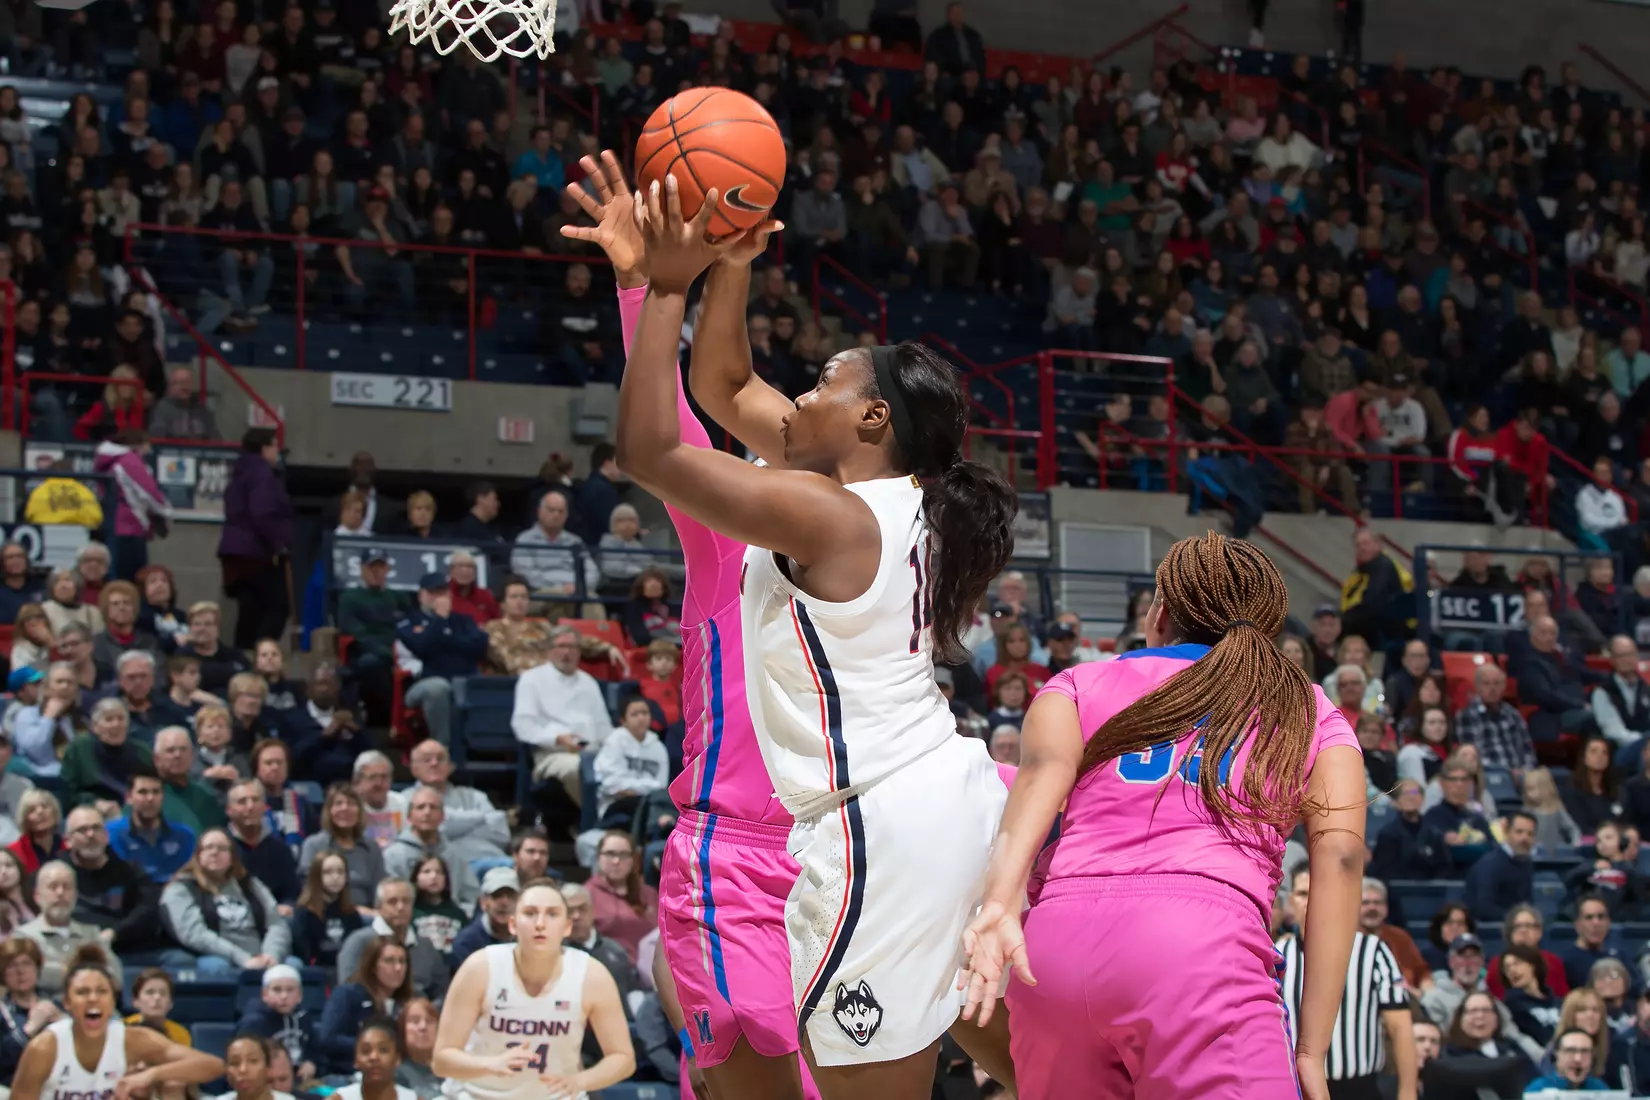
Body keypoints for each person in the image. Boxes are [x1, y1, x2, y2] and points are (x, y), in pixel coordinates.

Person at [599, 158, 1018, 1092]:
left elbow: (651, 448)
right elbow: (724, 381)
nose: (801, 394)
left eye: (824, 381)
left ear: (871, 416)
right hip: (941, 795)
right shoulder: (898, 503)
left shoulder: (829, 517)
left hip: (882, 824)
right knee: (1019, 1060)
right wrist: (733, 263)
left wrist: (667, 284)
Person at [565, 155, 822, 1100]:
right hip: (735, 850)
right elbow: (675, 422)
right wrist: (647, 285)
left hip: (842, 851)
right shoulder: (732, 550)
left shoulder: (879, 550)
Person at [960, 533, 1365, 1100]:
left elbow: (1036, 785)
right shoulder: (1308, 708)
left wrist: (1000, 903)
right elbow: (1341, 858)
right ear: (1269, 632)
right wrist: (1312, 1050)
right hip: (1201, 947)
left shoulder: (1078, 683)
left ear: (1160, 614)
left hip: (1055, 946)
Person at [431, 877, 635, 1098]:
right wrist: (490, 1065)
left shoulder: (591, 975)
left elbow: (623, 1058)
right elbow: (442, 1060)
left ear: (567, 926)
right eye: (530, 913)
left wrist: (579, 1080)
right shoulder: (480, 968)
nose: (540, 923)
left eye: (552, 914)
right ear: (512, 924)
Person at [1276, 867, 1419, 1100]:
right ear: (1291, 902)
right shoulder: (1278, 956)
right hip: (1295, 1089)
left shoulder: (1372, 951)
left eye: (1319, 891)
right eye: (1303, 893)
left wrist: (1408, 1092)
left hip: (1360, 1088)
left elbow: (1400, 1027)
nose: (1311, 900)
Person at [8, 960, 224, 1100]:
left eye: (102, 991)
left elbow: (212, 1066)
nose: (93, 998)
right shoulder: (45, 1047)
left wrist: (151, 1074)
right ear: (66, 1002)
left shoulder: (132, 1040)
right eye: (82, 992)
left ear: (112, 1002)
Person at [159, 826, 293, 974]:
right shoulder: (180, 889)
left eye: (222, 848)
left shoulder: (250, 884)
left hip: (261, 954)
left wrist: (271, 956)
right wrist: (243, 959)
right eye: (208, 847)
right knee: (218, 967)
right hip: (216, 956)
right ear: (198, 855)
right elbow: (195, 934)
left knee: (292, 966)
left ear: (232, 856)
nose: (215, 852)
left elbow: (276, 923)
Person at [510, 625, 609, 804]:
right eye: (562, 646)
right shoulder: (532, 679)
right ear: (549, 650)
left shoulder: (588, 682)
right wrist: (557, 738)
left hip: (592, 751)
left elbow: (603, 727)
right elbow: (523, 727)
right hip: (552, 754)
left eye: (573, 647)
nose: (567, 652)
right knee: (583, 769)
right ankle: (596, 820)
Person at [218, 428, 293, 650]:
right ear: (265, 448)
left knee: (250, 610)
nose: (277, 452)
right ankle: (262, 655)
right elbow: (263, 512)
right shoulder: (262, 474)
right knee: (278, 607)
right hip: (257, 553)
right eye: (275, 446)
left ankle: (243, 656)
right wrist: (279, 545)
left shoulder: (239, 472)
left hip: (234, 552)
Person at [397, 573, 489, 748]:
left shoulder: (463, 620)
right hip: (423, 684)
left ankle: (485, 746)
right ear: (421, 596)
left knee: (487, 687)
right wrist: (439, 621)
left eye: (442, 592)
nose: (438, 597)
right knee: (438, 687)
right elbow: (422, 648)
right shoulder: (409, 621)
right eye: (432, 592)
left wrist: (445, 640)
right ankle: (442, 748)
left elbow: (479, 647)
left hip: (464, 680)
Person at [16, 861, 125, 995]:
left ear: (75, 895)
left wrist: (55, 972)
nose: (60, 892)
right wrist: (88, 971)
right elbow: (27, 976)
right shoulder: (22, 937)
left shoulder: (92, 933)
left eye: (67, 887)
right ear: (37, 896)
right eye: (53, 886)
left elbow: (115, 978)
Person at [336, 877, 450, 1001]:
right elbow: (347, 989)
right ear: (379, 907)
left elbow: (442, 992)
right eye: (392, 902)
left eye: (406, 901)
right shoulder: (359, 941)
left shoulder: (425, 946)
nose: (400, 907)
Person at [317, 943, 413, 1076]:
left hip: (399, 1073)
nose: (398, 968)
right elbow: (327, 1038)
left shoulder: (410, 1001)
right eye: (389, 961)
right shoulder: (347, 994)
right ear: (373, 966)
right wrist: (373, 1046)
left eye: (402, 961)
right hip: (347, 1073)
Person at [383, 788, 481, 913]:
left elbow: (471, 896)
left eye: (433, 807)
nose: (427, 812)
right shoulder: (393, 855)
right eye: (420, 807)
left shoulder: (454, 854)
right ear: (409, 816)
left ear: (442, 816)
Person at [91, 430, 172, 580]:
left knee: (116, 576)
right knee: (134, 579)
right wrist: (165, 510)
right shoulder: (129, 460)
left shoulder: (110, 460)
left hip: (114, 523)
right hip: (131, 525)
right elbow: (148, 491)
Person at [297, 784, 384, 908]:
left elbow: (379, 889)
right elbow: (310, 891)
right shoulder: (313, 845)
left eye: (351, 803)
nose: (345, 808)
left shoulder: (371, 847)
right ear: (328, 810)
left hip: (369, 914)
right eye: (338, 803)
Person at [584, 831, 656, 966]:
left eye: (623, 855)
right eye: (610, 854)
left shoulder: (649, 893)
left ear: (633, 860)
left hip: (653, 972)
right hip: (609, 970)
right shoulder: (587, 895)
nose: (616, 861)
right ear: (599, 857)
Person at [237, 965, 318, 1083]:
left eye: (290, 990)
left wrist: (311, 1063)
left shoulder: (304, 1018)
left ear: (299, 995)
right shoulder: (252, 1023)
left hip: (300, 1080)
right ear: (265, 994)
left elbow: (316, 1051)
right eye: (277, 990)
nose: (284, 996)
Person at [291, 850, 365, 970]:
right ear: (316, 876)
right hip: (317, 975)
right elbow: (304, 954)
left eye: (340, 872)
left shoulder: (351, 913)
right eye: (328, 872)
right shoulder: (305, 914)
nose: (335, 877)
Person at [1463, 810, 1537, 920]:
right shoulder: (1490, 864)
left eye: (1530, 834)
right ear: (1506, 832)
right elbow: (1482, 907)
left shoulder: (1526, 863)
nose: (1524, 838)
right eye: (1519, 832)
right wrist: (1516, 919)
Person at [450, 866, 518, 969]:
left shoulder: (527, 936)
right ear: (483, 902)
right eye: (497, 895)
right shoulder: (466, 942)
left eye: (511, 896)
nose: (505, 903)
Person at [411, 855, 468, 957]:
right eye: (426, 871)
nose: (433, 876)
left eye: (439, 872)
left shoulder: (458, 914)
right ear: (416, 878)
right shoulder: (410, 913)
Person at [1525, 1028, 1609, 1092]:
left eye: (1585, 1051)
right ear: (1557, 1054)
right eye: (1570, 1051)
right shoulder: (1539, 1090)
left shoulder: (1599, 1088)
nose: (1578, 1059)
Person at [125, 968, 189, 1046]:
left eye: (163, 993)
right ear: (135, 1001)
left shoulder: (181, 1034)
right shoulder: (122, 1029)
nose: (157, 997)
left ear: (171, 1003)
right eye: (150, 992)